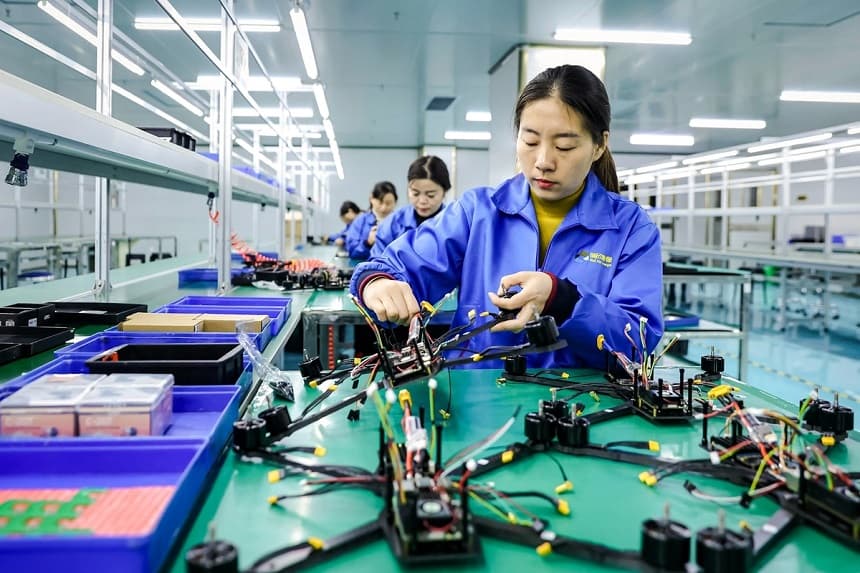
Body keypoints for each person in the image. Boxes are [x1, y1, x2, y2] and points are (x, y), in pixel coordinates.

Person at [349, 64, 663, 370]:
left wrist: (563, 299)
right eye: (530, 141)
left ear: (599, 145)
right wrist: (376, 283)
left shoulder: (631, 228)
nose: (543, 161)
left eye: (564, 146)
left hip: (579, 410)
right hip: (478, 406)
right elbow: (394, 267)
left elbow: (639, 338)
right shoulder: (478, 212)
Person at [370, 156, 451, 258]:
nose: (422, 201)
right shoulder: (392, 224)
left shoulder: (454, 224)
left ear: (445, 192)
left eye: (430, 195)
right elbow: (376, 263)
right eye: (415, 194)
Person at [345, 181, 398, 260]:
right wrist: (367, 243)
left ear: (395, 202)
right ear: (372, 199)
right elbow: (352, 252)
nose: (384, 207)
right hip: (368, 269)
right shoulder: (360, 221)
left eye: (388, 203)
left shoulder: (400, 222)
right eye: (380, 202)